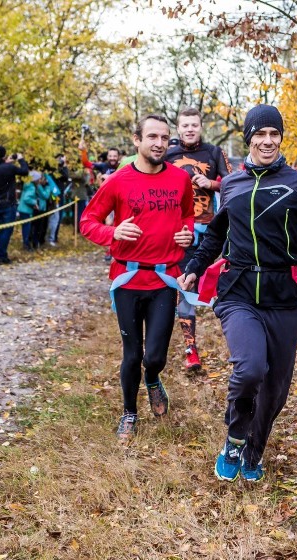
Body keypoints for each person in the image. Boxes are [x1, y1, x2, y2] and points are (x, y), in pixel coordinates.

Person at [177, 104, 297, 481]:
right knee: (251, 367)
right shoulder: (234, 184)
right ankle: (236, 437)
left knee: (275, 387)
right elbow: (219, 234)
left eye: (275, 134)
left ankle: (255, 451)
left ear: (281, 138)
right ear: (249, 138)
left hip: (283, 297)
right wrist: (193, 267)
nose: (268, 141)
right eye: (261, 134)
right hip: (238, 291)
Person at [80, 114, 194, 440]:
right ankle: (129, 412)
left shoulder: (179, 179)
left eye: (164, 138)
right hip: (127, 279)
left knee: (155, 355)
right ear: (137, 140)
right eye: (152, 137)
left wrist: (186, 233)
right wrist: (113, 231)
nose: (159, 143)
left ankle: (154, 378)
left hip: (163, 280)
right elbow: (88, 222)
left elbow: (186, 213)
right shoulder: (117, 180)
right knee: (132, 354)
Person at [166, 107, 233, 372]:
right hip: (181, 232)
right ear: (178, 128)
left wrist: (212, 184)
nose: (190, 129)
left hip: (213, 233)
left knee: (223, 289)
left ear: (201, 127)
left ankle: (238, 343)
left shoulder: (215, 153)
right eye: (185, 125)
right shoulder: (168, 155)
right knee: (185, 289)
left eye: (195, 124)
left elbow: (235, 183)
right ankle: (190, 349)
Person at [0, 145, 29, 265]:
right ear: (4, 154)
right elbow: (24, 171)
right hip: (8, 203)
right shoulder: (9, 168)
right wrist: (20, 159)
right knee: (7, 231)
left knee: (1, 230)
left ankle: (2, 255)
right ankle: (1, 256)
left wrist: (6, 162)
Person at [17, 172, 40, 251]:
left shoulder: (27, 185)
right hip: (26, 210)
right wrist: (34, 202)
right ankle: (26, 245)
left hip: (22, 209)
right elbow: (27, 198)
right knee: (27, 228)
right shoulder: (31, 188)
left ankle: (26, 243)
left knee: (25, 227)